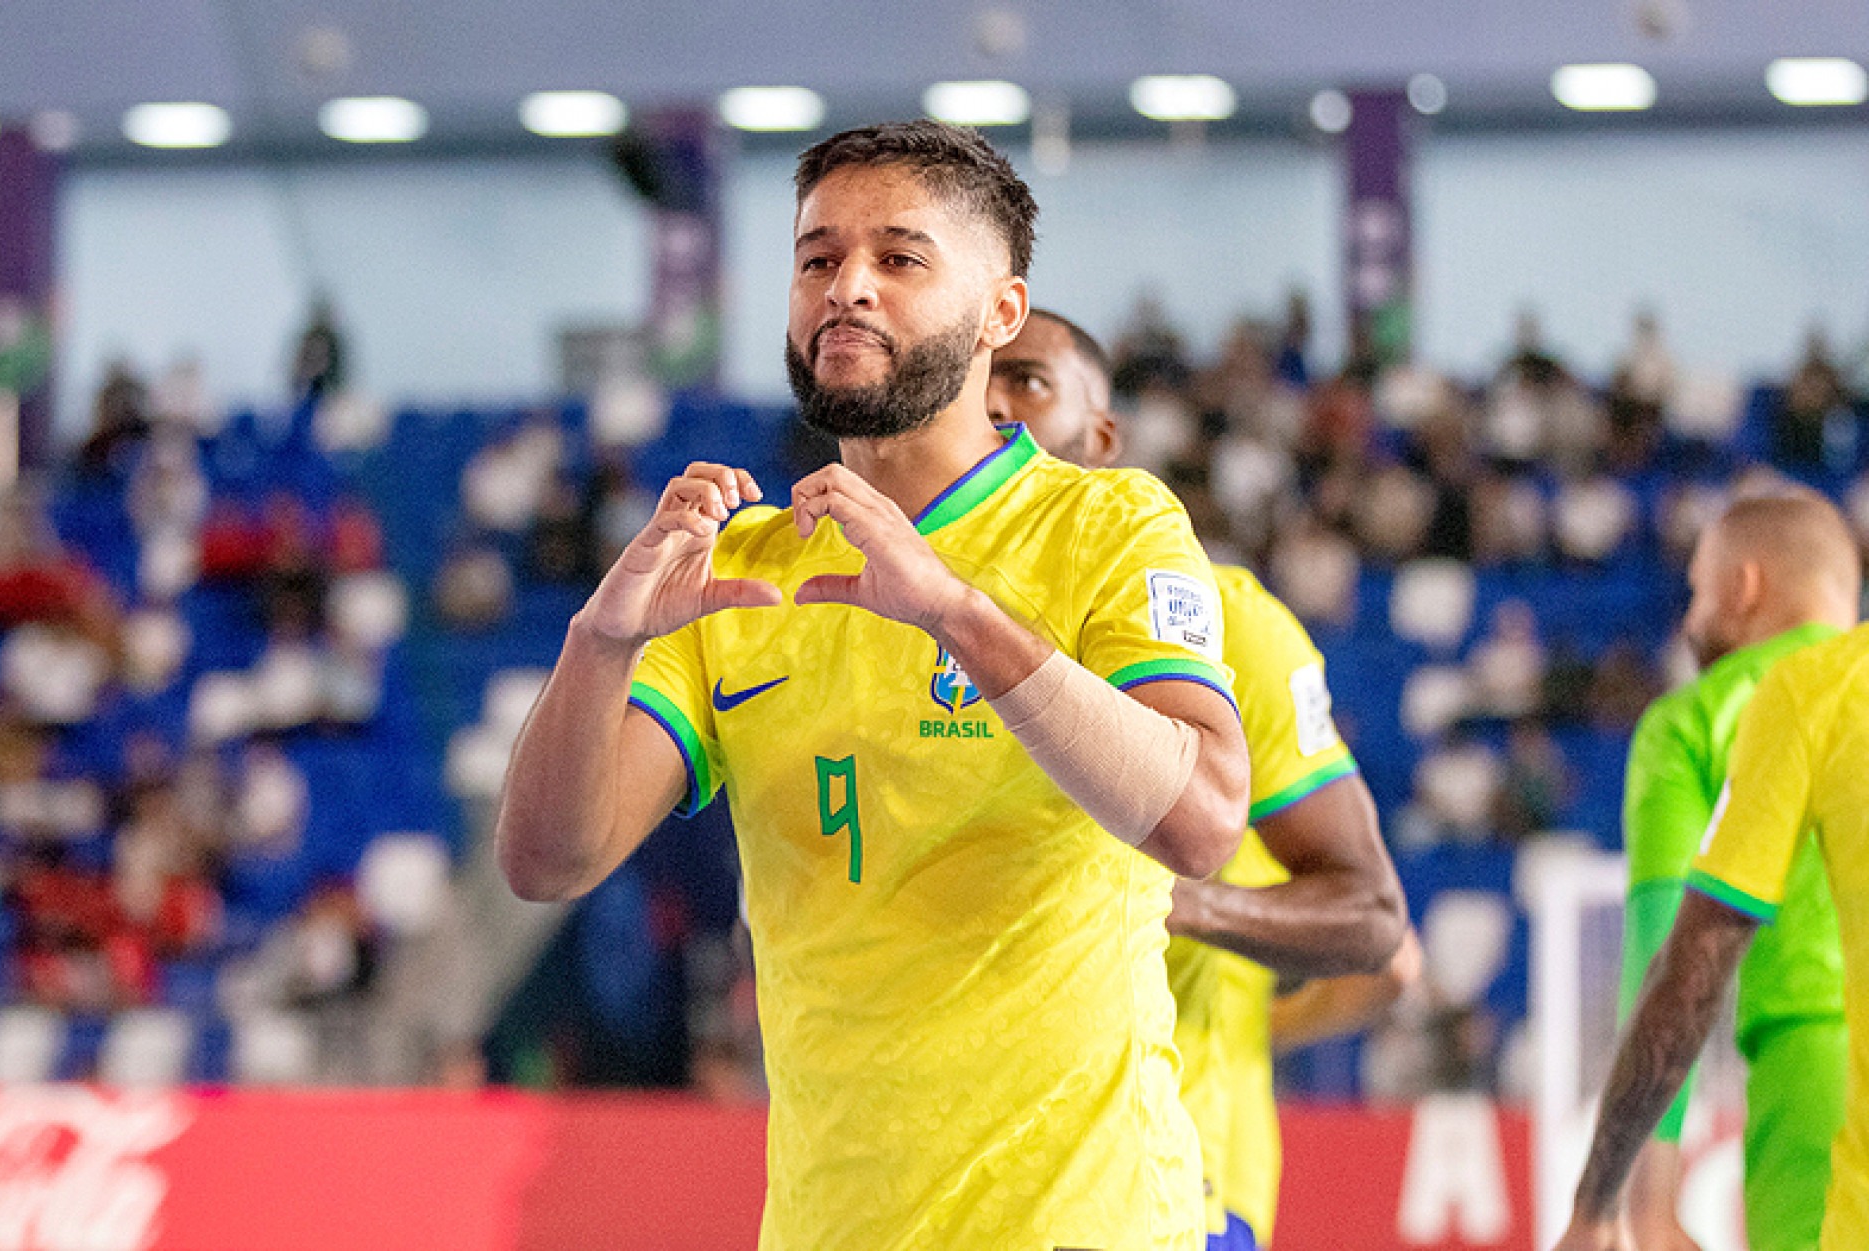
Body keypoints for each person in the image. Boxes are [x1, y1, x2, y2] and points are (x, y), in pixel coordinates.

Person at [497, 121, 1251, 1249]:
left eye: (899, 259)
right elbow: (548, 861)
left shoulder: (1110, 524)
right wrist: (600, 641)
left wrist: (953, 610)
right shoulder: (738, 568)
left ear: (1000, 311)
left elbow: (1200, 820)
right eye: (817, 259)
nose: (847, 288)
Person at [991, 309, 1419, 1250]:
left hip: (1175, 1192)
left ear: (1102, 438)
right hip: (958, 1191)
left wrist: (1190, 910)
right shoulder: (914, 621)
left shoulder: (1225, 628)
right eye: (978, 378)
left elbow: (1382, 939)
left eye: (1027, 381)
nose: (991, 402)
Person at [1554, 495, 1868, 1251]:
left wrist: (1638, 1200)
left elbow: (1671, 956)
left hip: (1812, 1073)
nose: (1688, 617)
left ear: (1742, 588)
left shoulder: (1702, 719)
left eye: (1696, 590)